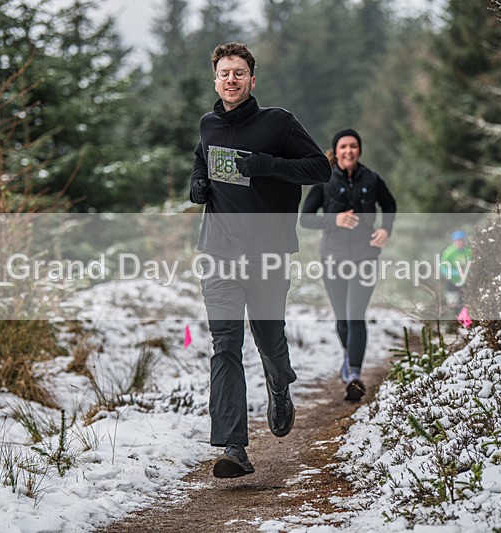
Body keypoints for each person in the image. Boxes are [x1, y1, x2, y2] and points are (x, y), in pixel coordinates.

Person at [189, 42, 331, 478]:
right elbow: (202, 160)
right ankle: (233, 446)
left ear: (252, 80)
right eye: (224, 73)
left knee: (268, 336)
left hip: (268, 253)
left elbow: (319, 170)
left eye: (239, 73)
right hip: (218, 252)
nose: (231, 79)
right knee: (225, 345)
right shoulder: (208, 124)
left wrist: (267, 165)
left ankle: (279, 382)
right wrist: (198, 184)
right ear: (216, 79)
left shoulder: (278, 123)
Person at [299, 128, 396, 402]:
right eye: (344, 147)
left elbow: (389, 205)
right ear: (336, 151)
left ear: (359, 150)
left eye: (353, 146)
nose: (349, 151)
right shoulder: (324, 181)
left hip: (366, 255)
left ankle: (354, 374)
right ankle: (348, 355)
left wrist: (385, 230)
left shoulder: (372, 179)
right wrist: (334, 220)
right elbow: (305, 219)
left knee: (355, 314)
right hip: (334, 256)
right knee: (342, 317)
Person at [440, 230, 472, 316]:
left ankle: (466, 322)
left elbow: (472, 265)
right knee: (454, 305)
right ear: (454, 241)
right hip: (452, 283)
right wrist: (454, 273)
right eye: (457, 241)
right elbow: (443, 268)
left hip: (465, 282)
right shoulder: (449, 252)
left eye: (461, 240)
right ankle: (457, 320)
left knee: (466, 304)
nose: (459, 242)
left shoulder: (468, 252)